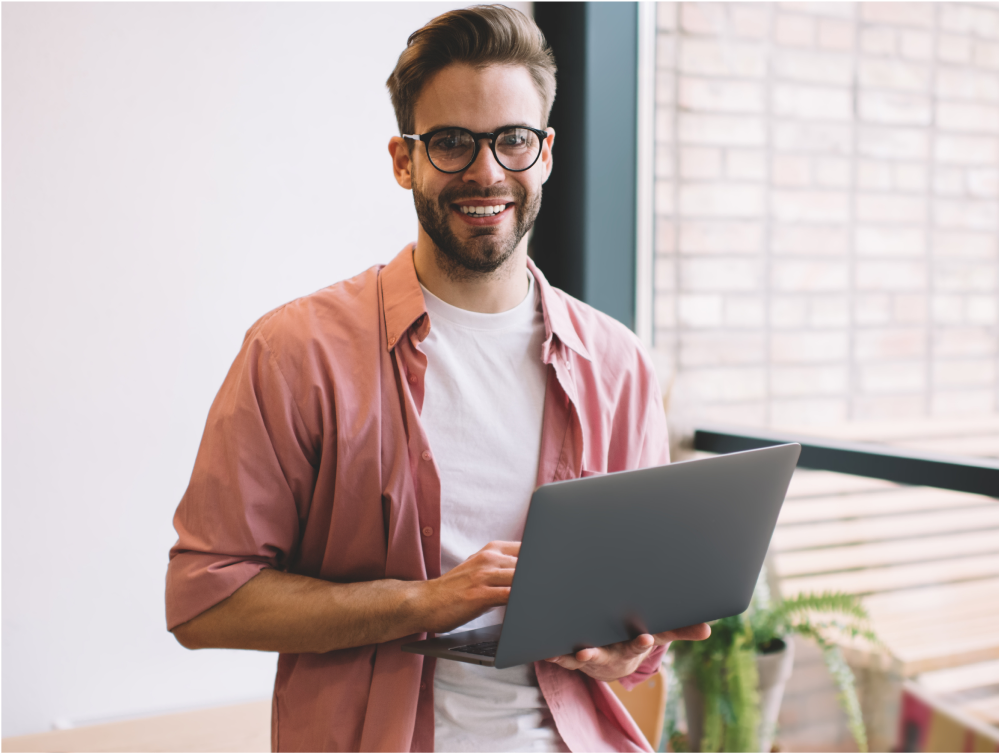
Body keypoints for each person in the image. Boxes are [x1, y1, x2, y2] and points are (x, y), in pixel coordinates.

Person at [165, 6, 708, 752]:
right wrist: (425, 600)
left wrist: (628, 650)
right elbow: (204, 601)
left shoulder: (617, 362)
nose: (486, 172)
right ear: (403, 160)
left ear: (544, 153)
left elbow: (639, 615)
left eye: (512, 140)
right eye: (452, 143)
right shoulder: (293, 351)